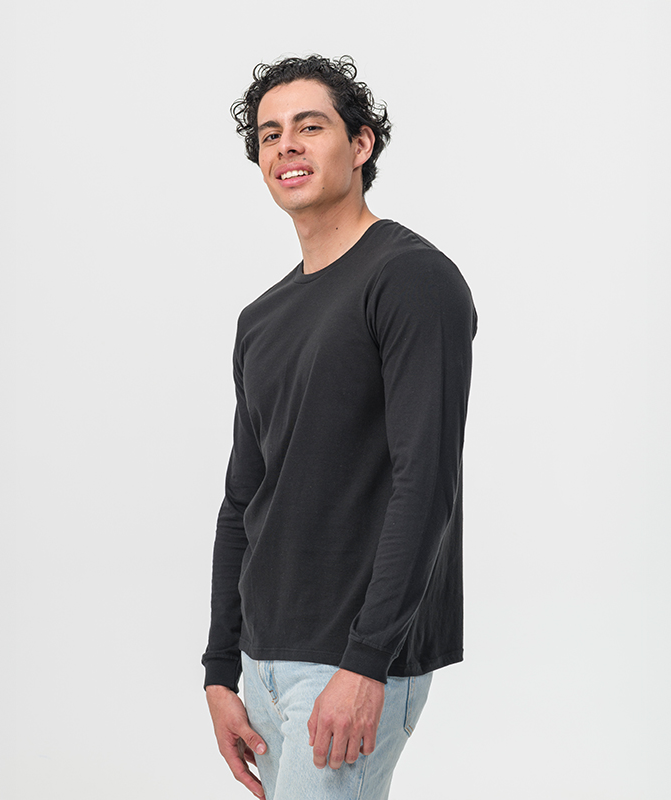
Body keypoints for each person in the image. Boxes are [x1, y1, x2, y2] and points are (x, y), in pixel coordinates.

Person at [202, 54, 477, 800]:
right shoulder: (260, 319)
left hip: (349, 662)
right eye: (269, 134)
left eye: (310, 126)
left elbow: (427, 484)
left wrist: (367, 662)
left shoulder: (411, 279)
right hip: (262, 662)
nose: (286, 145)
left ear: (361, 145)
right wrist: (221, 668)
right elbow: (242, 500)